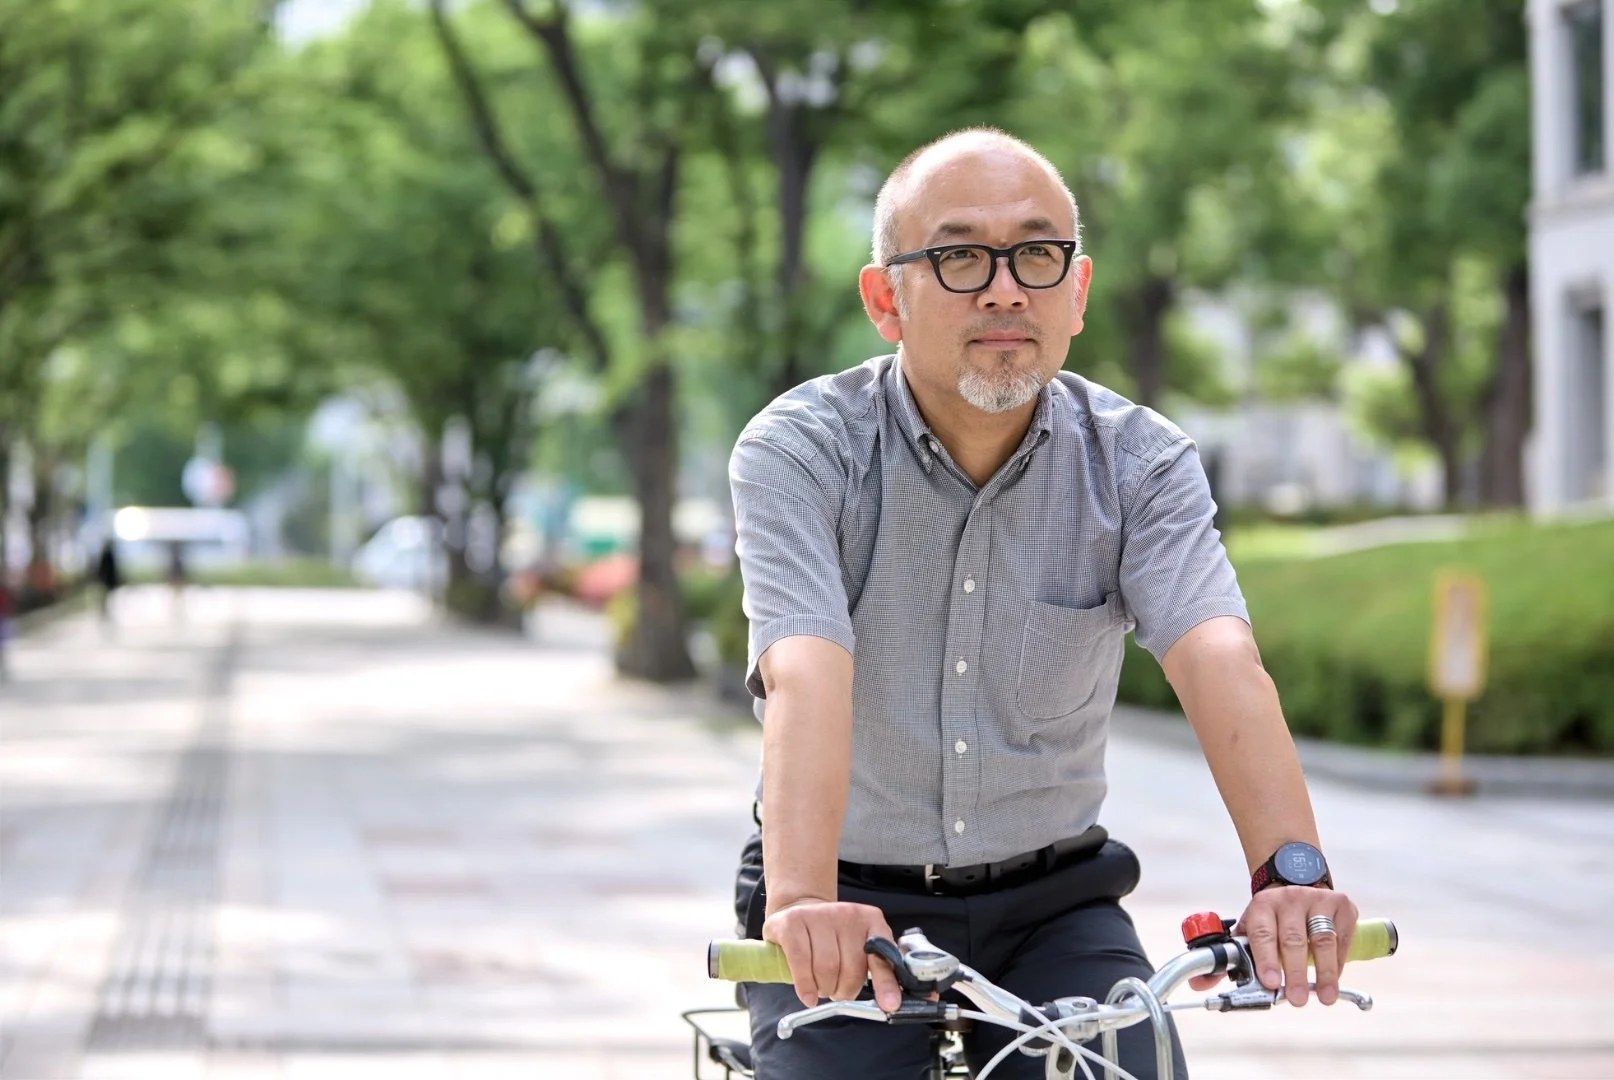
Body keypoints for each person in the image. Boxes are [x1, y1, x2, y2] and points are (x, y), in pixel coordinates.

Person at [726, 127, 1359, 1079]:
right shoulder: (802, 452)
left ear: (1078, 290)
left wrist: (1291, 874)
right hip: (846, 894)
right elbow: (806, 677)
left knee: (1123, 1067)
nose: (1005, 287)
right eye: (958, 256)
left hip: (1055, 904)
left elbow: (1219, 660)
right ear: (884, 298)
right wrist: (804, 900)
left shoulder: (1140, 464)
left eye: (1035, 253)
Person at [95, 536, 123, 626]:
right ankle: (104, 611)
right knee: (106, 597)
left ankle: (106, 611)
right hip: (107, 580)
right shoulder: (108, 555)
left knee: (107, 596)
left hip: (108, 580)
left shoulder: (108, 555)